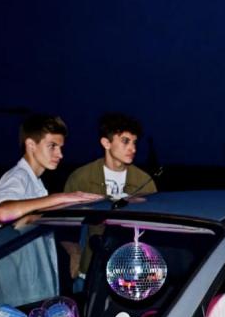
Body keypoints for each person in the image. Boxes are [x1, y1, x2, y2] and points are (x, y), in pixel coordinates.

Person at [0, 114, 103, 306]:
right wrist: (62, 197)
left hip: (37, 291)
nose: (60, 154)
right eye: (52, 146)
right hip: (19, 296)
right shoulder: (17, 178)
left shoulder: (36, 183)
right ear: (31, 145)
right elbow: (3, 212)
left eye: (61, 147)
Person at [63, 112, 158, 284]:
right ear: (106, 142)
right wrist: (73, 252)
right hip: (90, 268)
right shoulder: (81, 178)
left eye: (134, 142)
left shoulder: (144, 182)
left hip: (130, 271)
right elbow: (64, 224)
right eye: (125, 141)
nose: (133, 148)